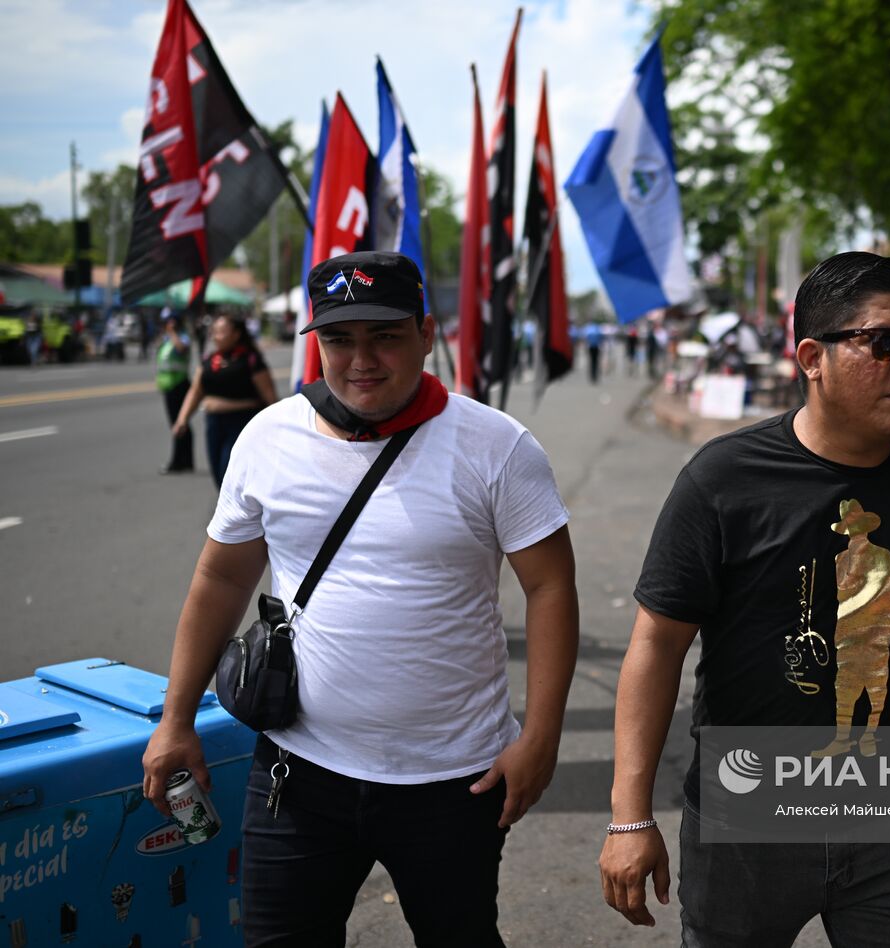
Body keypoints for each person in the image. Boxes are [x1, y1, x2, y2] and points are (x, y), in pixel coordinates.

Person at [141, 251, 579, 947]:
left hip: (454, 781)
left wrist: (541, 738)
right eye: (338, 339)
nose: (361, 359)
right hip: (297, 772)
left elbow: (550, 587)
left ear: (427, 333)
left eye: (385, 336)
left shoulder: (496, 446)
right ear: (314, 341)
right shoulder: (268, 438)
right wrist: (175, 720)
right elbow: (221, 580)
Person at [600, 252, 890, 946]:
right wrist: (630, 816)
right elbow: (656, 645)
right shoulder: (723, 480)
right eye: (884, 343)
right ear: (812, 356)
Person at [172, 313, 276, 488]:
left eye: (221, 332)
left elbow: (270, 399)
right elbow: (195, 392)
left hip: (241, 424)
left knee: (228, 474)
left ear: (236, 334)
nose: (216, 336)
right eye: (214, 332)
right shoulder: (210, 360)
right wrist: (182, 419)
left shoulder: (250, 360)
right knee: (217, 474)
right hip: (214, 424)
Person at [155, 314, 195, 474]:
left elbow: (181, 349)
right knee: (178, 423)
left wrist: (172, 333)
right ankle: (185, 461)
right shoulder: (166, 339)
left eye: (171, 322)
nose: (168, 325)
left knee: (179, 424)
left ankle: (179, 461)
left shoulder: (182, 337)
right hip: (168, 386)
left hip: (180, 385)